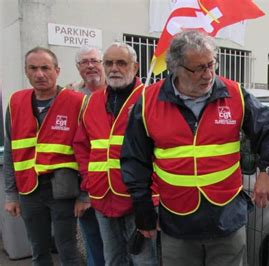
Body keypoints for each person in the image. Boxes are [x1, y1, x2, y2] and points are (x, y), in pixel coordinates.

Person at [121, 30, 269, 266]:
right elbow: (134, 160)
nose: (209, 74)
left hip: (226, 218)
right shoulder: (148, 102)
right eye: (199, 68)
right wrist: (143, 211)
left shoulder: (235, 95)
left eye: (211, 64)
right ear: (177, 69)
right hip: (177, 220)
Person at [73, 42, 160, 266]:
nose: (114, 68)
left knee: (144, 260)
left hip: (139, 198)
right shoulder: (92, 101)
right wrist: (89, 180)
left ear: (136, 67)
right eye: (109, 62)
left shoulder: (150, 99)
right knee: (113, 260)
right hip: (102, 195)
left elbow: (165, 148)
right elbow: (82, 145)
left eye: (121, 63)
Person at [3, 47, 84, 265]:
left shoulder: (77, 102)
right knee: (38, 250)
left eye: (45, 68)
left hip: (62, 190)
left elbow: (88, 152)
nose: (40, 74)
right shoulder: (15, 102)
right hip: (28, 189)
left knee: (67, 249)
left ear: (57, 70)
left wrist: (84, 195)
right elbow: (10, 151)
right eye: (33, 68)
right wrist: (10, 195)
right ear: (26, 72)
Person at [71, 45, 106, 266]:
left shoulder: (118, 93)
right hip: (84, 184)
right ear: (78, 68)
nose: (91, 65)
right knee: (93, 241)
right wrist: (82, 192)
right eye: (85, 62)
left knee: (121, 244)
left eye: (95, 60)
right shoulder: (71, 97)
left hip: (113, 186)